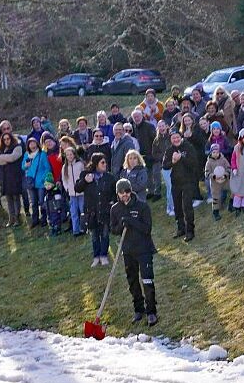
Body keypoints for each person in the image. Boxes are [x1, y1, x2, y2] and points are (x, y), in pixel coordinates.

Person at [110, 177, 158, 326]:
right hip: (128, 251)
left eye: (127, 191)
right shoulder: (115, 209)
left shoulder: (142, 206)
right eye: (121, 192)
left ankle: (151, 312)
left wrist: (132, 221)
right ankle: (138, 310)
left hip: (144, 249)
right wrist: (121, 225)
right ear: (117, 193)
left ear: (131, 191)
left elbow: (147, 228)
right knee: (133, 282)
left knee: (147, 279)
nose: (125, 194)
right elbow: (113, 229)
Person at [76, 153, 116, 266]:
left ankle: (104, 255)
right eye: (102, 162)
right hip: (91, 211)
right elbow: (77, 188)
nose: (105, 165)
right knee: (94, 235)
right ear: (96, 163)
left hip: (105, 210)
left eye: (105, 162)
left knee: (104, 234)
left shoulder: (109, 177)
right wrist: (85, 181)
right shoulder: (86, 175)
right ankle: (96, 256)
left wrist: (112, 201)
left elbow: (114, 192)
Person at [162, 130, 199, 241]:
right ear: (171, 140)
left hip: (188, 181)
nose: (176, 140)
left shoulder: (188, 147)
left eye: (177, 137)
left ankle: (190, 231)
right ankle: (181, 228)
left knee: (187, 207)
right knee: (177, 207)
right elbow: (165, 166)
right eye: (173, 138)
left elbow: (194, 163)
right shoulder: (169, 150)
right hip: (176, 182)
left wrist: (181, 158)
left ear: (181, 137)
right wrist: (173, 162)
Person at [0, 132, 24, 228]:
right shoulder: (1, 149)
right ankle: (11, 218)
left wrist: (2, 158)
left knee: (15, 197)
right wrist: (5, 158)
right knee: (8, 198)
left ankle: (17, 218)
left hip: (15, 176)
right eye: (4, 139)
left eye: (8, 139)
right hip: (5, 177)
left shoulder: (17, 147)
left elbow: (13, 158)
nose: (6, 141)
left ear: (11, 138)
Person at [22, 136, 50, 228]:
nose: (32, 145)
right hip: (30, 181)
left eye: (33, 143)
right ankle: (35, 220)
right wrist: (26, 165)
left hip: (40, 182)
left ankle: (44, 219)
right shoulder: (26, 155)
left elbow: (47, 167)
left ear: (37, 144)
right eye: (30, 143)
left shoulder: (42, 154)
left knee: (42, 201)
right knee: (33, 202)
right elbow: (22, 167)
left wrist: (43, 178)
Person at [129, 109, 157, 198]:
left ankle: (155, 192)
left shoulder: (149, 126)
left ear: (142, 116)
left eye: (138, 116)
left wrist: (153, 153)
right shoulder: (133, 127)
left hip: (150, 153)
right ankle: (149, 191)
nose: (136, 118)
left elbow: (155, 140)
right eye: (134, 117)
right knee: (144, 174)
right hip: (139, 155)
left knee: (152, 174)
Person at [61, 145, 85, 236]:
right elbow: (64, 179)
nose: (70, 156)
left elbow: (84, 176)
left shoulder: (80, 164)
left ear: (74, 155)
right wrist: (67, 188)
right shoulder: (65, 167)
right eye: (67, 155)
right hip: (71, 193)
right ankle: (76, 230)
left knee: (82, 210)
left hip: (81, 192)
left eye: (71, 154)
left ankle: (84, 228)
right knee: (73, 212)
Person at [205, 144, 230, 219]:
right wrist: (213, 176)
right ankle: (216, 212)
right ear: (211, 153)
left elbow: (228, 168)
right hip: (215, 183)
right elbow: (207, 173)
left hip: (225, 180)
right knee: (216, 197)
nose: (215, 154)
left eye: (217, 152)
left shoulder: (223, 160)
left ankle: (232, 204)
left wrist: (225, 175)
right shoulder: (209, 162)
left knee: (233, 190)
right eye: (214, 152)